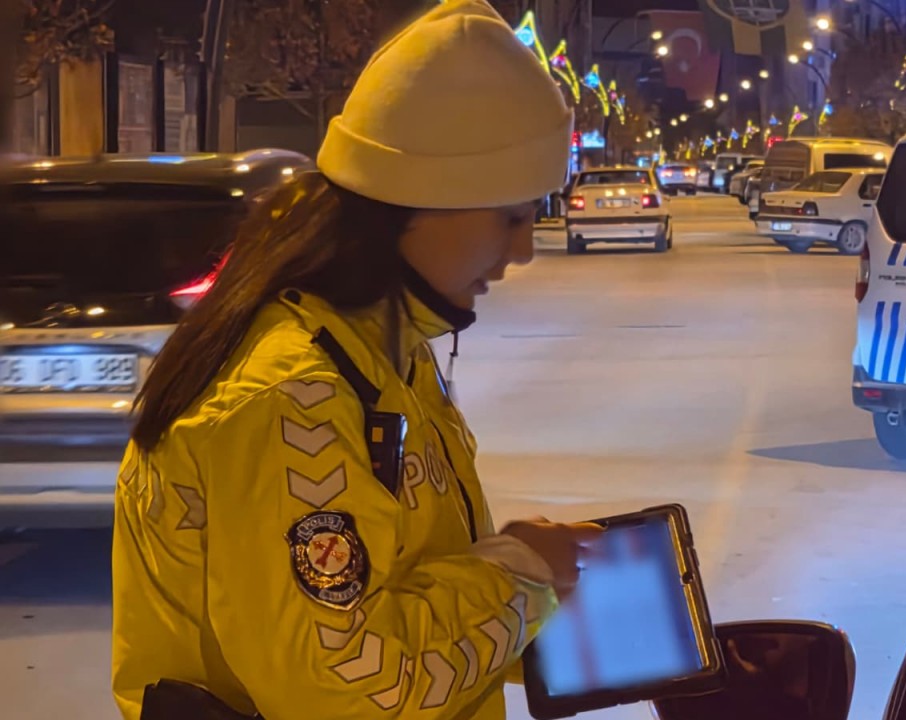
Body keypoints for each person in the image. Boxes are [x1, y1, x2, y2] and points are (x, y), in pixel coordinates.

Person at [111, 1, 601, 718]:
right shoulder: (288, 399)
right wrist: (521, 576)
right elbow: (350, 689)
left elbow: (400, 596)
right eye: (513, 217)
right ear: (418, 201)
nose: (522, 250)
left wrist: (543, 599)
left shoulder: (379, 360)